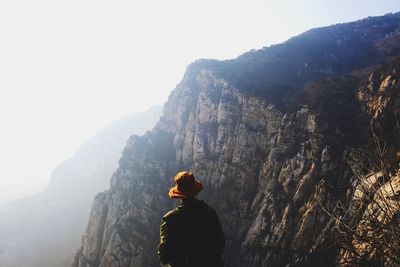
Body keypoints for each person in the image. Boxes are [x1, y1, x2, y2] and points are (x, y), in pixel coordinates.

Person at [158, 171, 225, 267]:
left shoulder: (170, 219)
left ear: (179, 195)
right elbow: (221, 242)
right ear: (195, 191)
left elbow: (164, 256)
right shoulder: (209, 212)